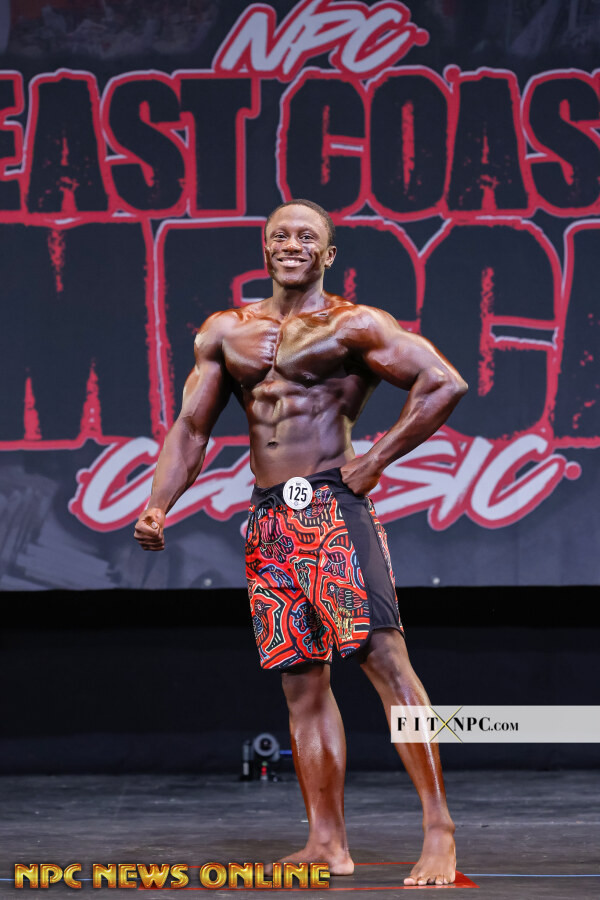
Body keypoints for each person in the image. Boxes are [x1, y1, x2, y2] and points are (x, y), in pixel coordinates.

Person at [134, 199, 468, 886]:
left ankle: (439, 830)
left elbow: (443, 382)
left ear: (327, 253)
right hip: (269, 521)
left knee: (384, 660)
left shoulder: (354, 324)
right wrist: (159, 504)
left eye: (306, 236)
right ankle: (326, 843)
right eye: (280, 234)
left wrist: (376, 460)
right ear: (264, 247)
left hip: (331, 511)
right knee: (301, 682)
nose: (292, 244)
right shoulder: (226, 331)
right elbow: (192, 429)